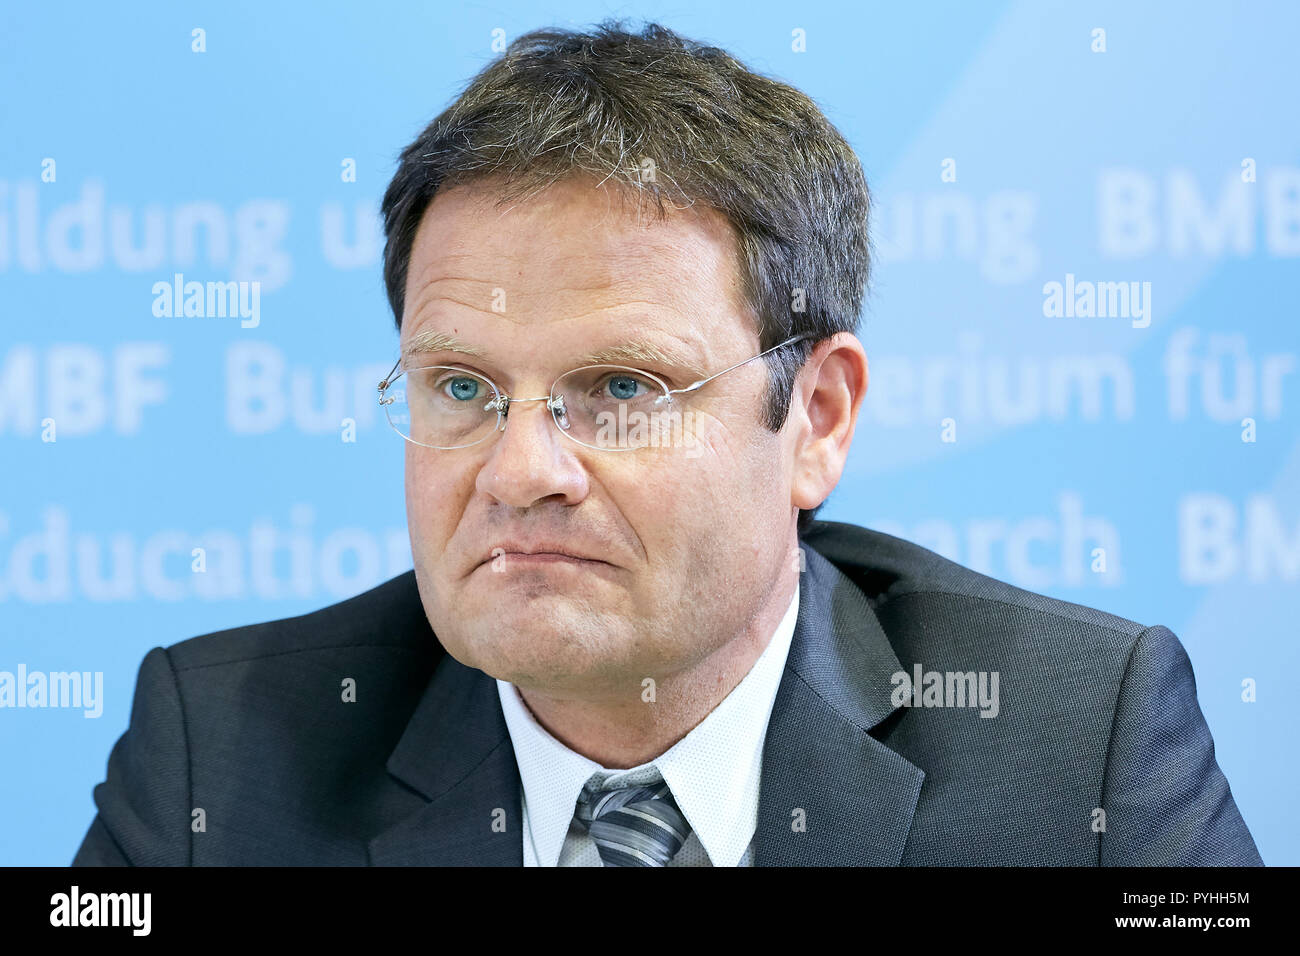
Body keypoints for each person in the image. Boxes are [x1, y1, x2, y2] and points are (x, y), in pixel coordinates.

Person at [73, 20, 1261, 866]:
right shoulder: (215, 762)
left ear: (816, 419)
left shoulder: (1075, 747)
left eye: (620, 387)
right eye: (461, 386)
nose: (521, 469)